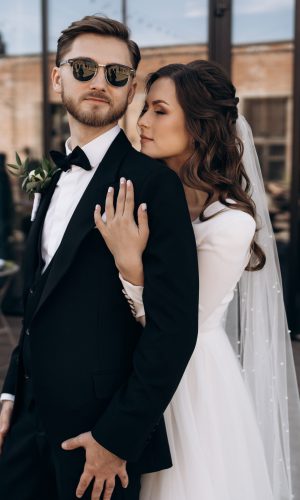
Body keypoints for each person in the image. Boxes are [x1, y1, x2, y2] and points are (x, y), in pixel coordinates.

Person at [0, 17, 199, 500]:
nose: (98, 82)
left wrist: (117, 437)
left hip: (98, 441)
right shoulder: (49, 173)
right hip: (25, 426)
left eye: (116, 74)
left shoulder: (155, 186)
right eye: (85, 67)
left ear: (131, 89)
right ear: (57, 77)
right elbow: (37, 298)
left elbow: (174, 330)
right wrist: (9, 392)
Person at [94, 61, 300, 499]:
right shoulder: (149, 196)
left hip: (188, 381)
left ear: (199, 126)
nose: (143, 122)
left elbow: (175, 322)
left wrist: (130, 265)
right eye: (144, 108)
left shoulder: (230, 225)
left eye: (159, 111)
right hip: (131, 369)